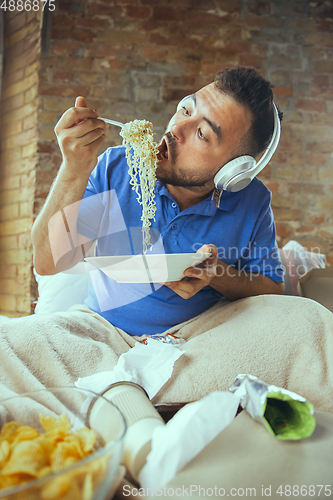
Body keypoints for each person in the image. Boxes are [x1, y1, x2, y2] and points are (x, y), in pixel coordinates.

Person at [31, 66, 285, 337]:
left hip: (193, 339)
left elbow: (272, 289)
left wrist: (217, 274)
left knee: (311, 320)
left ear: (232, 171)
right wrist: (74, 167)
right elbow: (48, 263)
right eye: (186, 110)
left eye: (202, 133)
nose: (176, 127)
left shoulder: (252, 200)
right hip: (100, 330)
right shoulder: (117, 167)